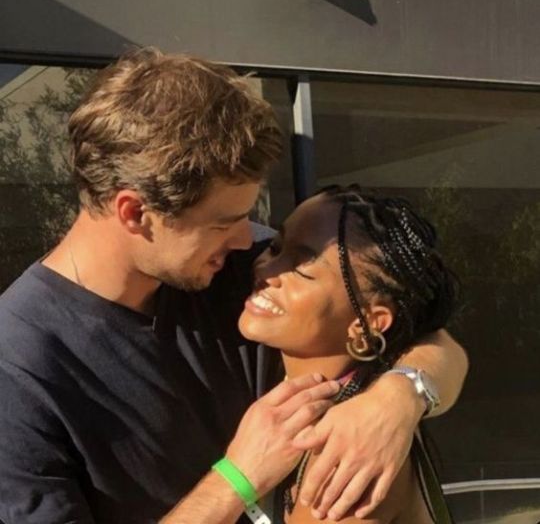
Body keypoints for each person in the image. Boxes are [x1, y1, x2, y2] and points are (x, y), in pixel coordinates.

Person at [0, 48, 468, 524]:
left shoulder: (236, 268)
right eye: (224, 223)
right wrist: (238, 478)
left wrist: (398, 398)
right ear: (135, 212)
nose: (250, 241)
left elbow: (434, 340)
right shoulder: (17, 370)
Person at [238, 185, 459, 523]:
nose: (266, 271)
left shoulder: (351, 453)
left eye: (300, 267)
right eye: (275, 248)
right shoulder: (295, 393)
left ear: (367, 323)